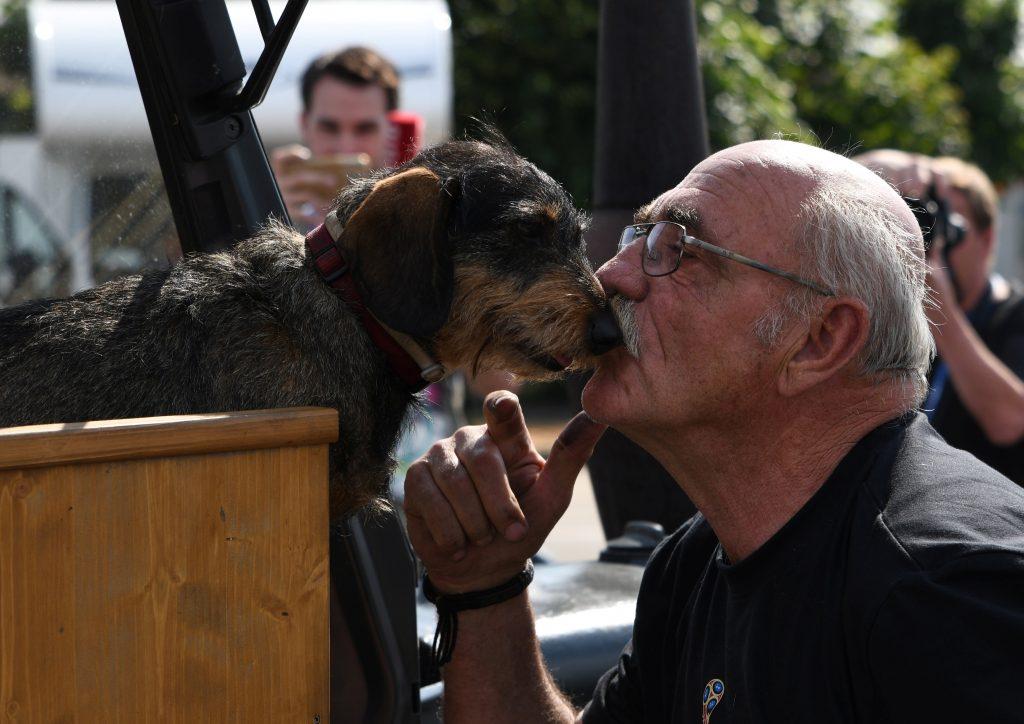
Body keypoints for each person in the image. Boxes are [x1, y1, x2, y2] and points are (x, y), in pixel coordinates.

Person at [403, 140, 1024, 722]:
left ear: (820, 340)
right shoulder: (695, 560)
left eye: (679, 250)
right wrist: (485, 586)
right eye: (635, 236)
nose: (610, 277)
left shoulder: (944, 590)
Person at [858, 151, 1024, 483]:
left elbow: (1010, 421)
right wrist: (878, 166)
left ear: (987, 238)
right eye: (926, 226)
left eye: (951, 227)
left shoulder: (1014, 316)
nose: (935, 245)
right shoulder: (899, 317)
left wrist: (943, 312)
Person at [271, 45, 400, 228]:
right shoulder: (280, 212)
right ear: (304, 125)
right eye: (329, 128)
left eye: (364, 129)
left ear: (391, 129)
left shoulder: (421, 216)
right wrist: (268, 218)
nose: (346, 148)